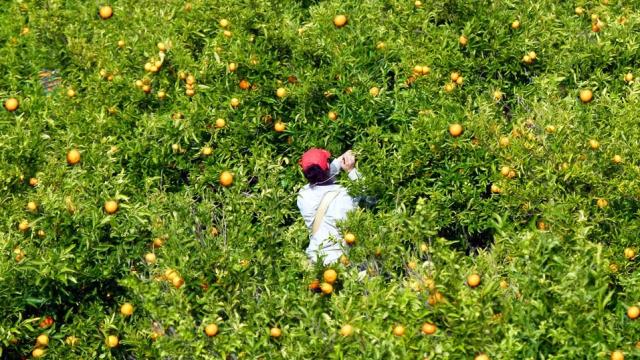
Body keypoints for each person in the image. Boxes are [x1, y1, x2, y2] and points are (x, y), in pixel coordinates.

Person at [297, 148, 362, 265]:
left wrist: (340, 160)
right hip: (341, 259)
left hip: (316, 258)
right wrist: (351, 170)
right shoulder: (344, 195)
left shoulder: (303, 195)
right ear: (327, 165)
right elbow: (369, 196)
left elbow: (321, 175)